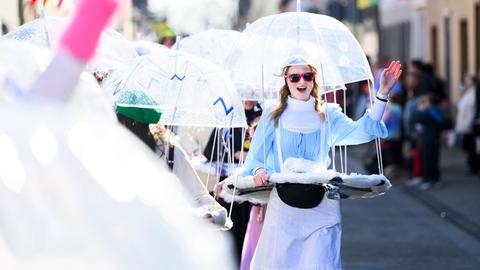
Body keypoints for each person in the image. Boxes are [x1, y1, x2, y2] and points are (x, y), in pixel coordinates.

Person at [242, 52, 401, 269]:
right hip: (284, 209)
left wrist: (382, 93)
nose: (301, 82)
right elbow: (255, 159)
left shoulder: (328, 114)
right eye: (295, 77)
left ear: (314, 78)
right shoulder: (272, 114)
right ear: (286, 80)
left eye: (307, 76)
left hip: (321, 209)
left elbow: (363, 131)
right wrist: (259, 171)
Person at [116, 102, 228, 226]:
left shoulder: (171, 151)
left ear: (130, 124)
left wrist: (214, 215)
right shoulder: (110, 150)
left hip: (161, 232)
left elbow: (198, 195)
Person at [455, 75, 479, 173]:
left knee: (472, 147)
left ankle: (474, 166)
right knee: (468, 146)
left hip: (470, 123)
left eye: (468, 81)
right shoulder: (468, 93)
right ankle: (471, 164)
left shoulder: (475, 93)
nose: (467, 83)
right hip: (465, 123)